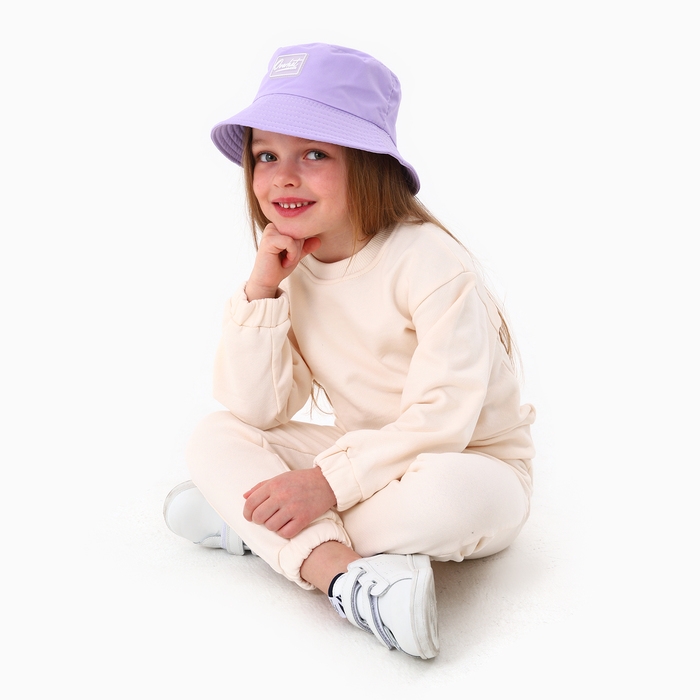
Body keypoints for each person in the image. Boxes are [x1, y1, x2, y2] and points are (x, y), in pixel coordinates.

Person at [163, 43, 535, 660]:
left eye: (314, 154)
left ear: (368, 164)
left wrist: (326, 485)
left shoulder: (430, 261)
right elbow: (259, 410)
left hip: (466, 461)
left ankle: (253, 526)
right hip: (362, 454)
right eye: (266, 155)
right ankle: (342, 574)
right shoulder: (294, 266)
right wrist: (262, 291)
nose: (283, 176)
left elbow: (444, 419)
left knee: (448, 496)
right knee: (215, 433)